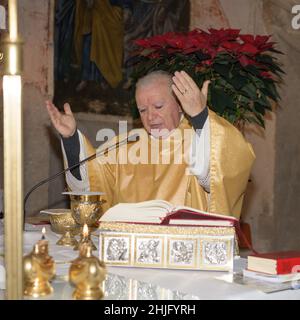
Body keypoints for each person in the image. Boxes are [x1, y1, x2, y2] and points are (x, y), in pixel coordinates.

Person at [46, 70, 255, 219]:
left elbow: (216, 180)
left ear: (180, 106)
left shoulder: (198, 140)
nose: (151, 116)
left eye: (158, 106)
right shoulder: (125, 145)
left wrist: (200, 117)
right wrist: (71, 138)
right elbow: (90, 189)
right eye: (143, 110)